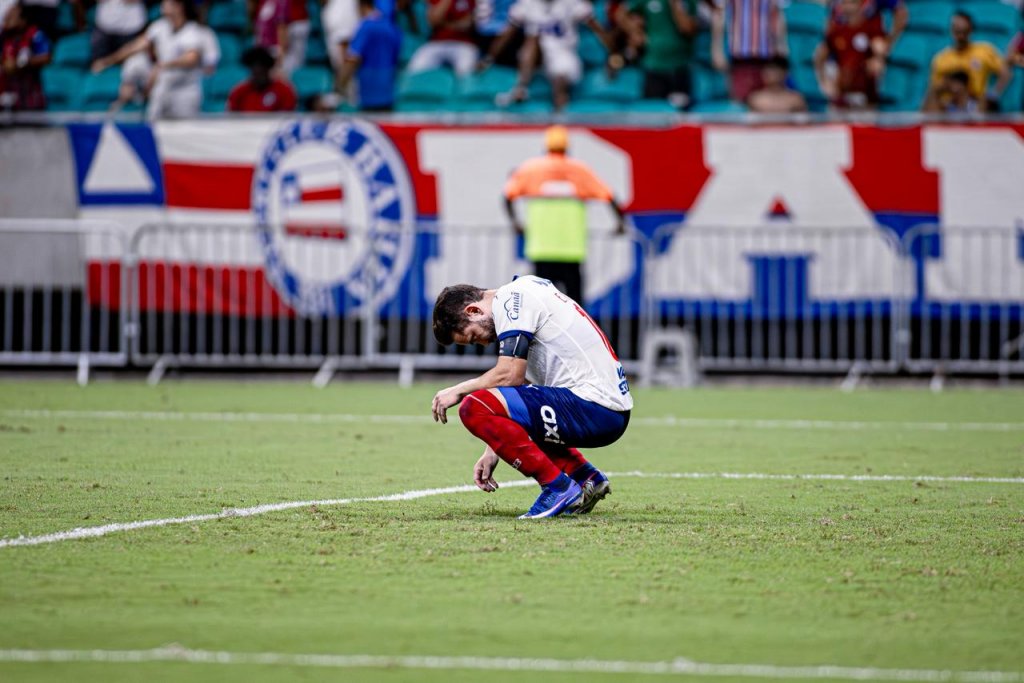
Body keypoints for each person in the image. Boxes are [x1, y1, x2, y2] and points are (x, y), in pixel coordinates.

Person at [430, 275, 633, 519]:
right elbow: (519, 394)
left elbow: (510, 375)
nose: (482, 343)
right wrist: (494, 448)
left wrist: (458, 390)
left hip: (595, 406)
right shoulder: (524, 291)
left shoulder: (511, 299)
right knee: (504, 402)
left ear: (473, 310)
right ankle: (585, 476)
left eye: (474, 336)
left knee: (473, 407)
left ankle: (557, 488)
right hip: (606, 409)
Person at [502, 126, 626, 307]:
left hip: (541, 248)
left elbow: (507, 196)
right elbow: (609, 197)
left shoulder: (532, 169)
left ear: (546, 145)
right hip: (571, 250)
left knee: (541, 304)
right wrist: (620, 223)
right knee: (575, 306)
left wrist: (516, 223)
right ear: (567, 146)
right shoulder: (579, 170)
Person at [479, 0, 618, 112]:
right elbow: (507, 33)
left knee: (560, 78)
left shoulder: (572, 3)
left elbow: (598, 30)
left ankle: (560, 115)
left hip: (563, 53)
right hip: (538, 57)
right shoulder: (527, 4)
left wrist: (613, 55)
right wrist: (488, 58)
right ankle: (521, 88)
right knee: (533, 37)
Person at [92, 0, 207, 120]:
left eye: (167, 3)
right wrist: (108, 61)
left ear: (179, 7)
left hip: (184, 92)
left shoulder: (193, 30)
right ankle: (131, 93)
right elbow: (135, 47)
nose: (163, 6)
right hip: (161, 88)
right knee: (136, 62)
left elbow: (192, 58)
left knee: (185, 129)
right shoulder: (160, 26)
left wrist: (163, 66)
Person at [618, 0, 699, 109]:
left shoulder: (689, 2)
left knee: (681, 114)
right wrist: (635, 32)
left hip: (680, 67)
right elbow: (621, 14)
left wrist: (676, 5)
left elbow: (688, 29)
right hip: (653, 66)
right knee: (653, 112)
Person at [927, 12, 1008, 113]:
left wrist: (992, 95)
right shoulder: (941, 59)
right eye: (957, 31)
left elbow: (1005, 73)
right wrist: (948, 86)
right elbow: (934, 88)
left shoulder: (984, 51)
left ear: (971, 30)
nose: (961, 36)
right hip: (948, 108)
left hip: (977, 105)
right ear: (951, 31)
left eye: (964, 31)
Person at [814, 0, 887, 111]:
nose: (847, 6)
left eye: (851, 2)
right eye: (844, 3)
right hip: (842, 91)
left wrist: (878, 59)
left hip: (866, 91)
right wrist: (824, 81)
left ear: (860, 5)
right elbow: (820, 57)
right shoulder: (836, 31)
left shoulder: (870, 26)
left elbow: (880, 51)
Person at [711, 0, 787, 103]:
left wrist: (781, 46)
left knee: (766, 102)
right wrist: (717, 50)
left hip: (766, 56)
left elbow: (778, 16)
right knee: (739, 101)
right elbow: (719, 14)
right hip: (740, 56)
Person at [335, 0, 400, 111]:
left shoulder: (365, 27)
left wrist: (339, 86)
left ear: (361, 6)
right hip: (389, 92)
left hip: (368, 92)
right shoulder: (392, 27)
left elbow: (353, 59)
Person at [0, 1, 51, 111]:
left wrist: (21, 63)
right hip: (8, 92)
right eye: (7, 14)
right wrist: (5, 62)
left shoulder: (34, 34)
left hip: (30, 94)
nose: (7, 17)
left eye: (13, 15)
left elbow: (46, 57)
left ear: (23, 20)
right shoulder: (4, 36)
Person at [405, 0, 478, 77]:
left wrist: (444, 24)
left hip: (464, 43)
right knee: (416, 67)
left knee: (467, 71)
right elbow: (434, 20)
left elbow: (468, 24)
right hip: (437, 42)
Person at [228, 45, 297, 111]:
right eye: (255, 69)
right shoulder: (239, 92)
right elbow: (232, 115)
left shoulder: (284, 90)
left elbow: (288, 115)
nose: (258, 70)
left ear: (268, 68)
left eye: (262, 69)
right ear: (251, 70)